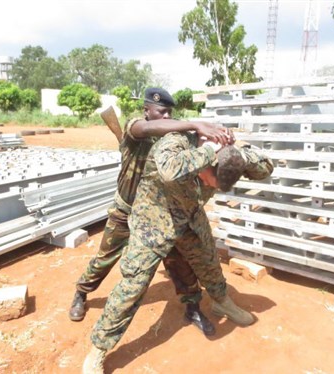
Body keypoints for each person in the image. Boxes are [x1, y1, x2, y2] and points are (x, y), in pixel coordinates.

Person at [83, 130, 274, 373]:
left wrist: (241, 152)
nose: (207, 185)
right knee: (134, 283)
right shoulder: (175, 143)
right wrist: (207, 150)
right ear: (208, 159)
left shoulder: (227, 156)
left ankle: (221, 302)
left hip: (190, 218)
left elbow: (267, 167)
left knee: (209, 263)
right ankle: (99, 348)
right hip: (153, 220)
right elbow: (168, 169)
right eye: (207, 180)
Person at [69, 87, 234, 337]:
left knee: (180, 262)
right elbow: (144, 129)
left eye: (170, 112)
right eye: (162, 111)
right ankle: (82, 292)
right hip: (126, 210)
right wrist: (193, 123)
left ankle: (192, 307)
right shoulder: (136, 128)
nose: (167, 116)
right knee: (106, 258)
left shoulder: (172, 139)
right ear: (147, 111)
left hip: (158, 216)